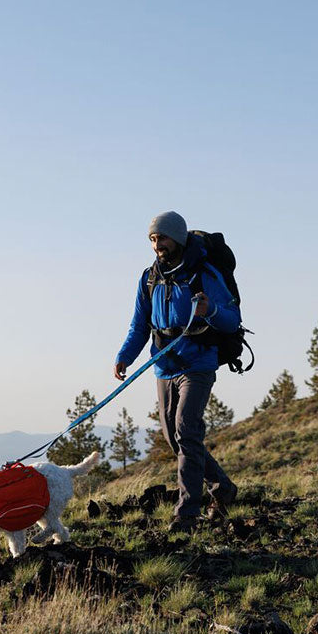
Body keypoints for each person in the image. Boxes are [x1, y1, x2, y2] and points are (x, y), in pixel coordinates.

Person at [113, 211, 240, 533]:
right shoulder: (149, 277)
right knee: (175, 438)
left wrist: (209, 309)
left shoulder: (203, 273)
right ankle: (223, 488)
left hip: (198, 362)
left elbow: (231, 318)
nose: (158, 245)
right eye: (153, 239)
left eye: (163, 238)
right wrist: (124, 356)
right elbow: (139, 324)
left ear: (178, 238)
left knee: (186, 430)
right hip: (164, 365)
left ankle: (187, 513)